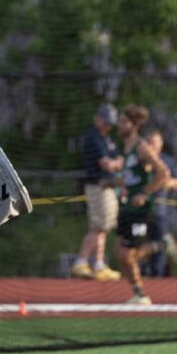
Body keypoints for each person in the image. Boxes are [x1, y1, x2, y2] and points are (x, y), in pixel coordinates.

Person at [112, 105, 170, 305]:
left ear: (134, 125)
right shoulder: (126, 150)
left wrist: (145, 193)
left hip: (140, 210)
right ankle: (139, 292)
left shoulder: (141, 147)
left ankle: (160, 246)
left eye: (123, 122)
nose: (119, 126)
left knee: (127, 254)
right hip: (127, 208)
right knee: (120, 253)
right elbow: (131, 178)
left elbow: (163, 173)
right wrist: (113, 183)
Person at [72, 104, 124, 281]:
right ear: (98, 118)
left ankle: (98, 263)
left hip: (108, 187)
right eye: (106, 121)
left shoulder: (107, 138)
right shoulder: (93, 137)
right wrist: (115, 163)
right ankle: (81, 261)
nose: (108, 126)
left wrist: (116, 163)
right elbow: (107, 164)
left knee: (104, 226)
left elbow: (119, 159)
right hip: (97, 186)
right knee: (98, 225)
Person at [142, 129, 177, 277]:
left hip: (159, 211)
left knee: (159, 243)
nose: (152, 146)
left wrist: (166, 183)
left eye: (155, 143)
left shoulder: (167, 161)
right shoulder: (140, 160)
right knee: (139, 242)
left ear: (161, 144)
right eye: (149, 142)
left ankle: (157, 274)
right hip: (140, 211)